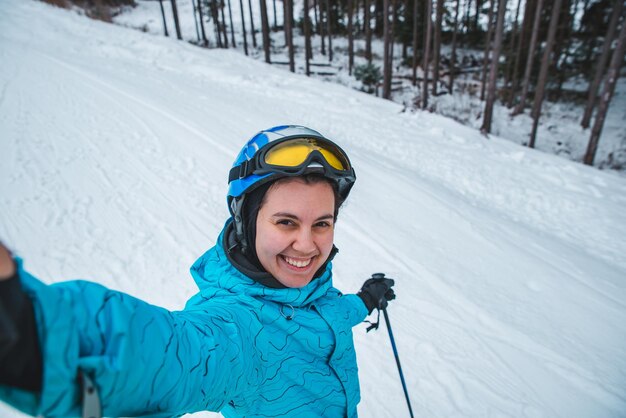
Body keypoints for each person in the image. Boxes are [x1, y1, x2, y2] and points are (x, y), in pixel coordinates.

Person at [0, 125, 396, 417]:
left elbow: (331, 313)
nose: (308, 246)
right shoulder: (239, 327)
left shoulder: (315, 293)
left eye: (322, 224)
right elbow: (173, 355)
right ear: (247, 221)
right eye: (286, 222)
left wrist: (366, 299)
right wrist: (26, 329)